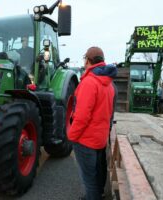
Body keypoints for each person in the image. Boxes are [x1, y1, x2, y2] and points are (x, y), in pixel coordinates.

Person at [68, 47, 117, 200]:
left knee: (89, 180)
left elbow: (82, 117)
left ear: (88, 60)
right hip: (99, 139)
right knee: (96, 176)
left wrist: (72, 136)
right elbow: (108, 114)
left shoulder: (89, 83)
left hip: (85, 140)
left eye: (84, 59)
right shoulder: (109, 84)